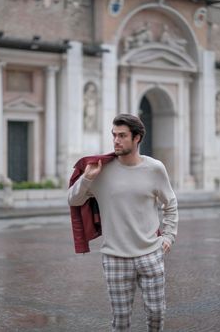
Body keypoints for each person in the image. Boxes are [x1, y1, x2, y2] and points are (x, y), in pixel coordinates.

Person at [68, 113, 178, 332]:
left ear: (137, 138)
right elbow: (73, 199)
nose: (116, 140)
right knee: (120, 321)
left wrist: (168, 236)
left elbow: (171, 203)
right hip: (115, 257)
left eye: (122, 136)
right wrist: (87, 178)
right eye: (114, 135)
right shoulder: (100, 170)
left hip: (150, 254)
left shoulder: (155, 168)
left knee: (157, 314)